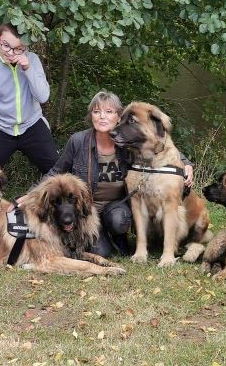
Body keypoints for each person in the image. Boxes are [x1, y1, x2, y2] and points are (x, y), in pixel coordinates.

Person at [45, 91, 194, 257]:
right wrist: (30, 196)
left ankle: (117, 235)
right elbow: (56, 171)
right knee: (101, 252)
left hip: (115, 206)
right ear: (91, 116)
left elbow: (160, 146)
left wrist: (186, 164)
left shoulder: (127, 142)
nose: (102, 117)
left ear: (118, 117)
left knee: (119, 220)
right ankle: (100, 236)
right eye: (96, 112)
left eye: (109, 112)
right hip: (88, 208)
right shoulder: (78, 141)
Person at [0, 23, 59, 175]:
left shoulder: (33, 60)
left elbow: (43, 97)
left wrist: (27, 69)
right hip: (0, 126)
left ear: (25, 46)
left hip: (31, 124)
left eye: (18, 49)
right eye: (6, 46)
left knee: (58, 172)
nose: (11, 53)